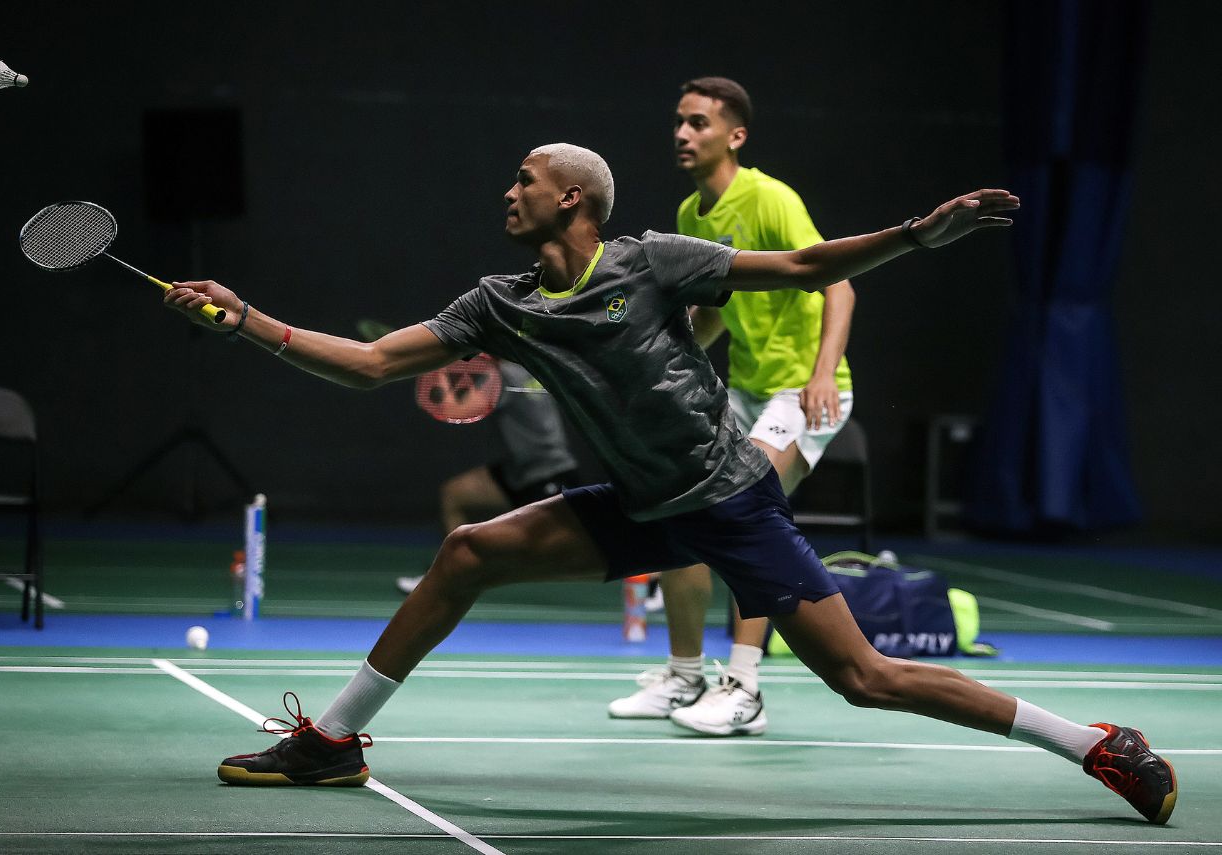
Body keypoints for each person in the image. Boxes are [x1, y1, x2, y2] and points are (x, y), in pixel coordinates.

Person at [164, 144, 1174, 824]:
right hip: (640, 506)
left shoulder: (653, 263)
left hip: (729, 501)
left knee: (863, 679)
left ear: (571, 198)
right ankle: (331, 742)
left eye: (523, 180)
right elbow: (371, 364)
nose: (504, 193)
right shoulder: (500, 304)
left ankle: (1091, 742)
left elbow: (804, 264)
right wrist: (246, 317)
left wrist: (918, 232)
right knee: (467, 551)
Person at [608, 77, 856, 736]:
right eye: (679, 122)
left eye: (697, 123)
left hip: (805, 387)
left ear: (734, 135)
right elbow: (713, 317)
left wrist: (823, 373)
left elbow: (840, 284)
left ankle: (743, 686)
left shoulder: (770, 198)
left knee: (747, 514)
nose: (682, 134)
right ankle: (683, 674)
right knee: (682, 509)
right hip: (747, 387)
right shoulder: (692, 216)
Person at [396, 359, 580, 594]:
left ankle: (641, 582)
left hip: (547, 474)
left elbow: (453, 410)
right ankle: (451, 574)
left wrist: (435, 369)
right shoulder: (531, 366)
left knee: (565, 556)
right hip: (517, 472)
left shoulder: (505, 375)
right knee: (455, 495)